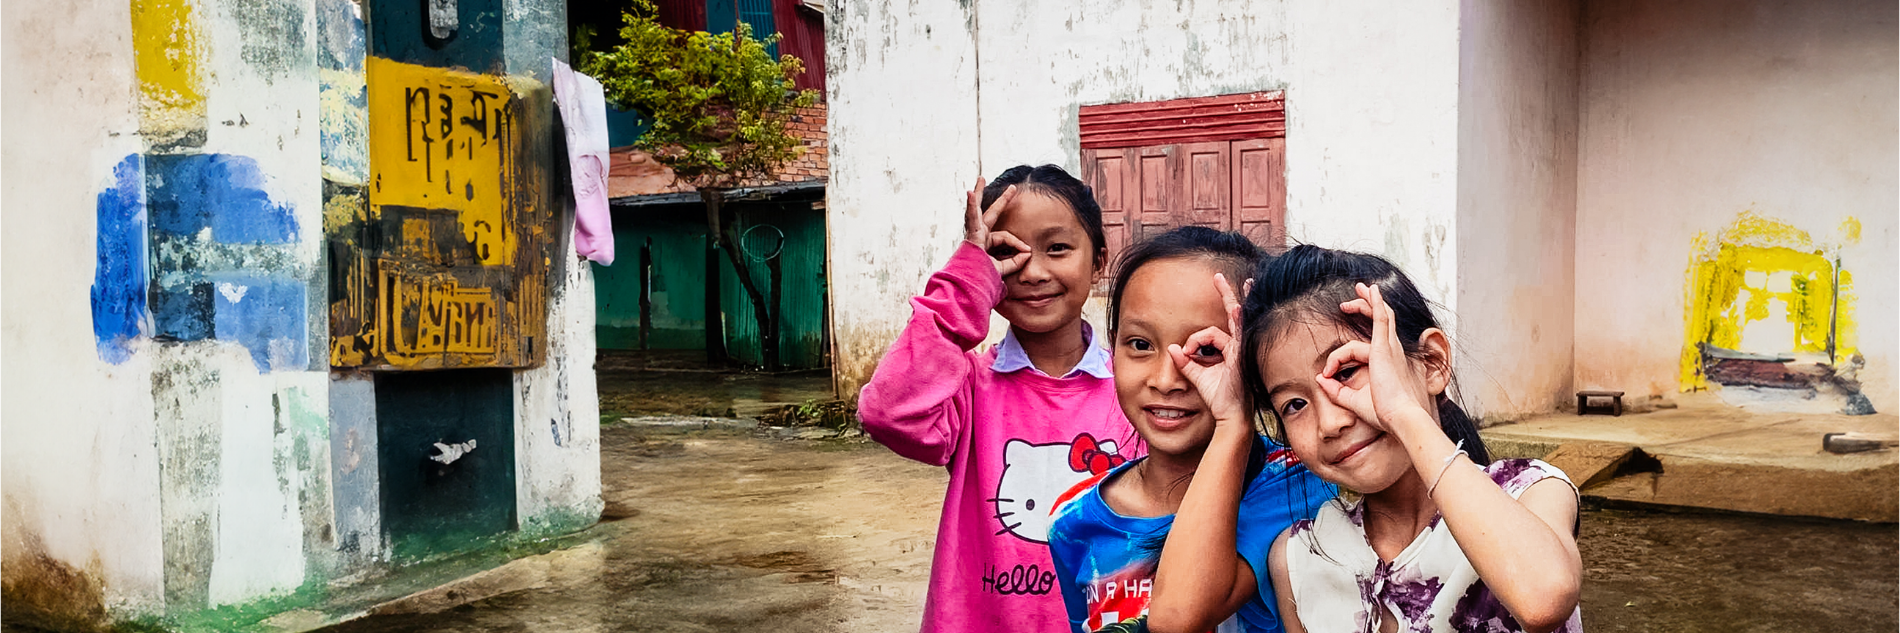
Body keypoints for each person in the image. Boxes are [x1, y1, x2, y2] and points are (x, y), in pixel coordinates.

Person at [1236, 246, 1583, 633]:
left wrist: (1402, 411)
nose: (1329, 423)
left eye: (1348, 371)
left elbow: (1543, 598)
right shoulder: (1300, 557)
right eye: (1295, 404)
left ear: (1432, 363)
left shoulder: (1530, 490)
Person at [858, 165, 1138, 633]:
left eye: (1058, 248)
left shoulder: (1134, 387)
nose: (1034, 271)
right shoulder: (968, 385)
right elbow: (887, 413)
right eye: (1008, 251)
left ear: (1098, 261)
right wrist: (968, 282)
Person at [1046, 227, 1334, 633]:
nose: (1166, 379)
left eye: (1208, 351)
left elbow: (1182, 617)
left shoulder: (1300, 488)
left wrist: (1233, 422)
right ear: (1113, 347)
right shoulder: (1074, 523)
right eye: (1140, 344)